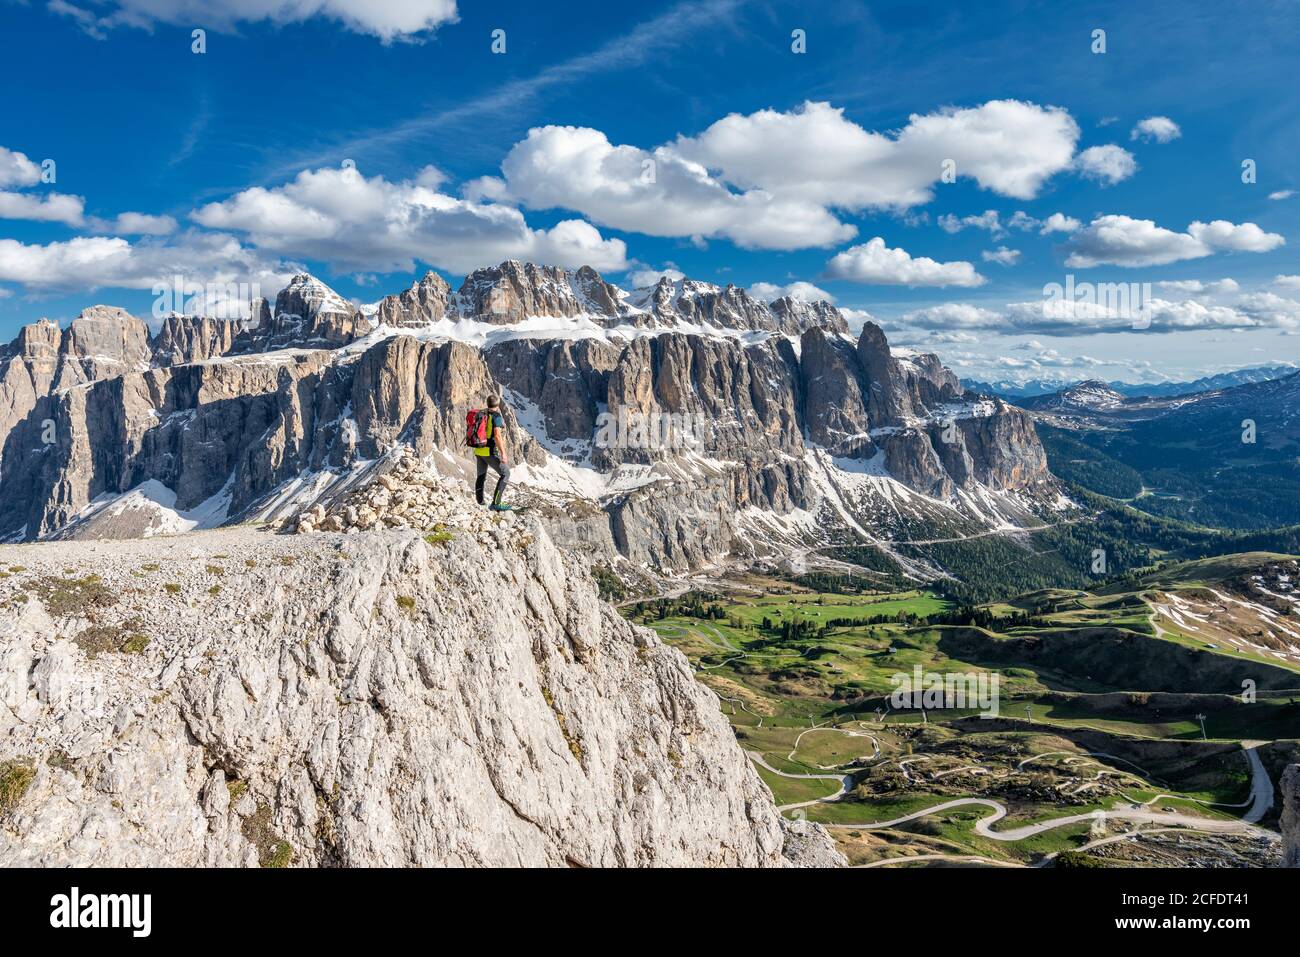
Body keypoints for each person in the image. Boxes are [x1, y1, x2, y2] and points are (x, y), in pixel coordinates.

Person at [472, 395, 511, 510]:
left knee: (481, 476)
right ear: (498, 405)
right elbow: (497, 436)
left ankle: (480, 503)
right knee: (505, 473)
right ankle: (496, 504)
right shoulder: (496, 416)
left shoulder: (481, 413)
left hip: (479, 450)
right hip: (489, 452)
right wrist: (503, 453)